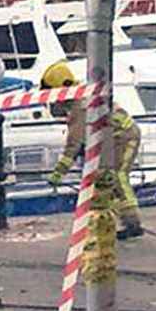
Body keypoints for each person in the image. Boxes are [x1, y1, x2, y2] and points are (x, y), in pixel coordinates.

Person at [41, 61, 144, 239]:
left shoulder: (79, 106)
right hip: (114, 138)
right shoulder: (82, 98)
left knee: (118, 177)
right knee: (109, 180)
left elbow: (73, 144)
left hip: (124, 137)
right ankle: (119, 221)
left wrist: (58, 173)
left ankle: (133, 222)